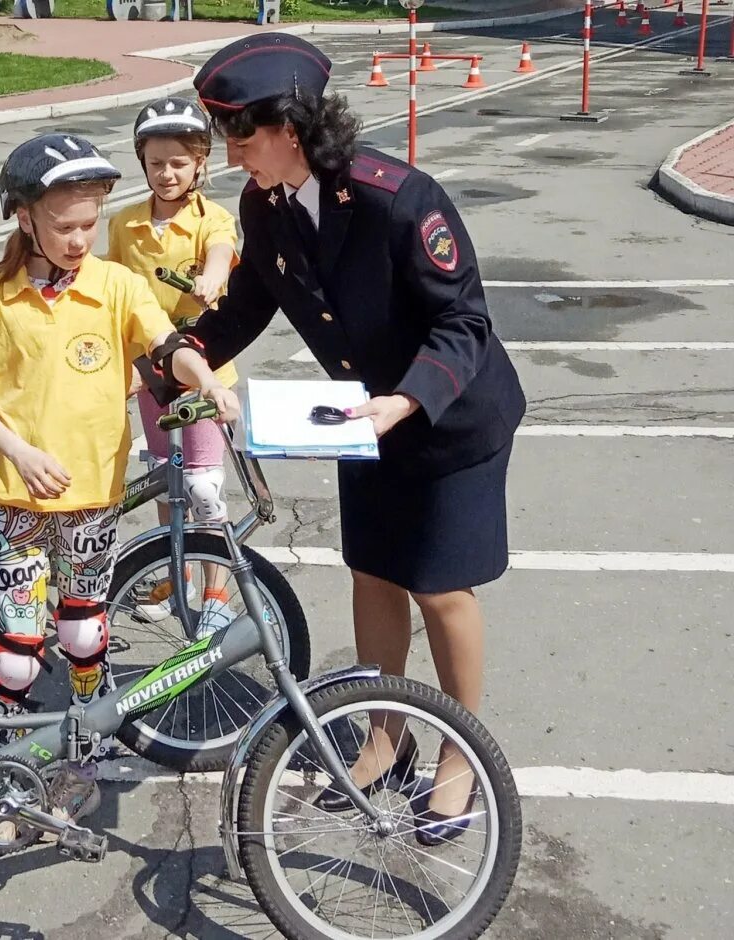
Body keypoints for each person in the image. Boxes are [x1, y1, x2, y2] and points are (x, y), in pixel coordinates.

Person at [188, 34, 526, 845]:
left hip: (446, 418)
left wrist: (405, 403)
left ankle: (458, 758)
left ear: (292, 127)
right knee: (372, 572)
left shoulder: (397, 199)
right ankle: (386, 734)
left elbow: (463, 321)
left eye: (242, 135)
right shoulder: (264, 205)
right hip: (363, 418)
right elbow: (246, 306)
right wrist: (180, 355)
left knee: (441, 589)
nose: (231, 156)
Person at [0, 133, 239, 827]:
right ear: (25, 218)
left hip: (93, 500)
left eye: (88, 224)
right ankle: (1, 761)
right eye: (66, 225)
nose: (80, 239)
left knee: (84, 634)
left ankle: (84, 751)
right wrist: (19, 451)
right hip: (16, 499)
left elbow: (168, 347)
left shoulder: (116, 284)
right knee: (17, 648)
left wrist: (208, 385)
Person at [106, 96, 240, 633]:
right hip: (152, 375)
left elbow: (222, 251)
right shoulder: (126, 223)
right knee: (169, 481)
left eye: (179, 162)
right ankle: (177, 575)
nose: (167, 173)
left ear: (200, 163)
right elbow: (110, 285)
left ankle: (217, 589)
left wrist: (210, 276)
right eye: (157, 162)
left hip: (204, 367)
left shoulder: (214, 220)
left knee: (205, 487)